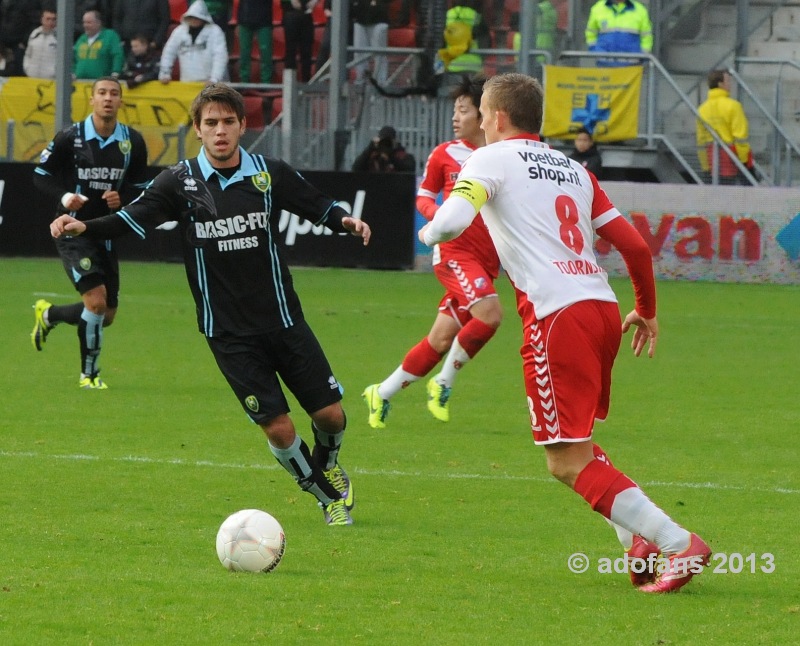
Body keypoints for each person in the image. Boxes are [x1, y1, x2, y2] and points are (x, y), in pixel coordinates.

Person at [419, 72, 711, 593]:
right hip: (600, 307)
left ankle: (677, 543)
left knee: (564, 461)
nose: (480, 125)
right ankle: (635, 541)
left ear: (499, 118)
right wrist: (646, 309)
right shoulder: (574, 169)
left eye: (483, 115)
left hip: (557, 317)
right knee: (580, 443)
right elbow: (637, 248)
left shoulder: (488, 159)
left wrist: (427, 230)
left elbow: (448, 223)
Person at [49, 82, 372, 526]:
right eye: (210, 123)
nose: (220, 131)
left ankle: (329, 462)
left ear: (242, 125)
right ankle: (325, 495)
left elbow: (317, 204)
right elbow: (131, 219)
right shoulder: (178, 182)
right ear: (198, 131)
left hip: (283, 320)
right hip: (228, 333)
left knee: (332, 417)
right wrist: (84, 228)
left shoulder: (266, 173)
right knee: (278, 426)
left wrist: (345, 221)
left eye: (227, 122)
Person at [362, 74, 501, 428]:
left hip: (487, 259)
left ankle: (382, 393)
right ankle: (443, 382)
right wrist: (437, 216)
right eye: (455, 111)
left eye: (463, 110)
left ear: (484, 114)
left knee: (440, 338)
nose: (456, 118)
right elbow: (424, 195)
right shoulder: (444, 154)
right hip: (455, 254)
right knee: (489, 314)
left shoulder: (502, 154)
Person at [31, 76, 150, 390]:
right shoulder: (70, 137)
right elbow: (41, 175)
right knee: (96, 303)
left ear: (121, 101)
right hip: (72, 229)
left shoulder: (133, 142)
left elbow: (140, 190)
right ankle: (90, 375)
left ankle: (50, 314)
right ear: (92, 99)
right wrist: (64, 197)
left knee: (106, 315)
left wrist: (122, 198)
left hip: (106, 232)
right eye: (102, 93)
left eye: (113, 93)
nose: (108, 98)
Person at [696, 69, 754, 186]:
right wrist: (743, 162)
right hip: (731, 159)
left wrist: (705, 166)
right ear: (720, 84)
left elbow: (701, 140)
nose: (730, 84)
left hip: (712, 159)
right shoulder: (733, 106)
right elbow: (740, 137)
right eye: (728, 81)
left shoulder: (702, 109)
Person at [159, 0, 229, 84]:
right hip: (187, 83)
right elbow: (169, 52)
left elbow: (220, 56)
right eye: (191, 17)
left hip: (210, 83)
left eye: (197, 17)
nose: (194, 20)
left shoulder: (215, 31)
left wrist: (214, 78)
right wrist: (165, 73)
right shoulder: (179, 31)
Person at [585, 0, 652, 67]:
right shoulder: (598, 8)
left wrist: (643, 55)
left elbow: (646, 36)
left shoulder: (640, 10)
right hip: (604, 64)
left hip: (631, 66)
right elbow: (591, 32)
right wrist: (594, 50)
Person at [74, 9, 125, 79]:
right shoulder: (81, 39)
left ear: (98, 23)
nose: (85, 25)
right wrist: (72, 72)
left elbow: (117, 55)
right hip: (80, 83)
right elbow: (73, 57)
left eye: (89, 22)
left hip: (102, 82)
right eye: (84, 22)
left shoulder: (110, 36)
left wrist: (116, 72)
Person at [350, 0, 391, 85]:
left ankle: (381, 82)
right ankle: (361, 78)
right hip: (360, 18)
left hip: (379, 18)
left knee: (379, 53)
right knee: (359, 52)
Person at [0, 0, 42, 77]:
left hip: (19, 45)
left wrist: (24, 42)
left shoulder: (29, 3)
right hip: (3, 45)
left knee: (19, 74)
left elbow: (35, 22)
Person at [351, 125, 416, 173]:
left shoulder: (403, 156)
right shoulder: (371, 155)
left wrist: (391, 155)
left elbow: (409, 170)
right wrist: (370, 149)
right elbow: (356, 168)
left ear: (395, 141)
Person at [236, 0, 273, 84]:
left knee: (266, 53)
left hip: (264, 20)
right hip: (245, 20)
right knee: (244, 53)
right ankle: (244, 81)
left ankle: (266, 83)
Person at [281, 0, 317, 82]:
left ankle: (306, 82)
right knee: (290, 51)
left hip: (306, 14)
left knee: (306, 51)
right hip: (290, 13)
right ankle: (290, 82)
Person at [23, 6, 58, 79]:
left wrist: (55, 72)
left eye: (53, 19)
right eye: (48, 19)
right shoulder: (35, 34)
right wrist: (27, 68)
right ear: (42, 19)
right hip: (32, 78)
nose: (50, 22)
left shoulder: (59, 37)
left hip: (50, 80)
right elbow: (28, 54)